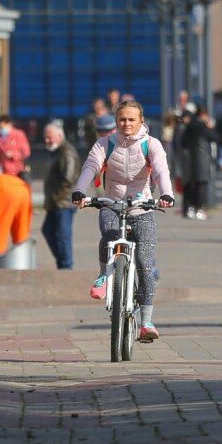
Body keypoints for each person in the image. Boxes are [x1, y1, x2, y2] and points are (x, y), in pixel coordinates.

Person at [71, 100, 175, 343]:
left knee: (145, 264)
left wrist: (166, 194)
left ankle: (146, 322)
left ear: (141, 121)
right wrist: (79, 190)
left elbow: (161, 170)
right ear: (116, 122)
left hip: (143, 208)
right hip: (112, 204)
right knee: (108, 237)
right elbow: (91, 166)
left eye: (131, 119)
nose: (126, 124)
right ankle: (103, 275)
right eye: (122, 119)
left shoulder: (152, 144)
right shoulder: (105, 144)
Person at [42, 121, 81, 270]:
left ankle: (66, 266)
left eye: (49, 137)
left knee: (63, 236)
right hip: (56, 202)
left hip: (64, 203)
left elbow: (68, 180)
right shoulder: (57, 151)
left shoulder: (67, 152)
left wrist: (55, 198)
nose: (47, 141)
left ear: (59, 135)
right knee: (48, 230)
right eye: (45, 137)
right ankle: (62, 263)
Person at [179, 106, 217, 220]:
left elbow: (182, 142)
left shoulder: (188, 127)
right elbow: (214, 137)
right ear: (203, 115)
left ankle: (188, 208)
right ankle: (200, 209)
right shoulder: (202, 127)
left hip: (189, 159)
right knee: (202, 185)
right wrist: (210, 128)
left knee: (189, 185)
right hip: (201, 159)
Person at [0, 114, 32, 179]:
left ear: (9, 124)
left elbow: (26, 152)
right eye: (0, 127)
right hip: (6, 172)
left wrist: (13, 154)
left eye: (3, 127)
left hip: (18, 171)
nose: (1, 129)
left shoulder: (19, 134)